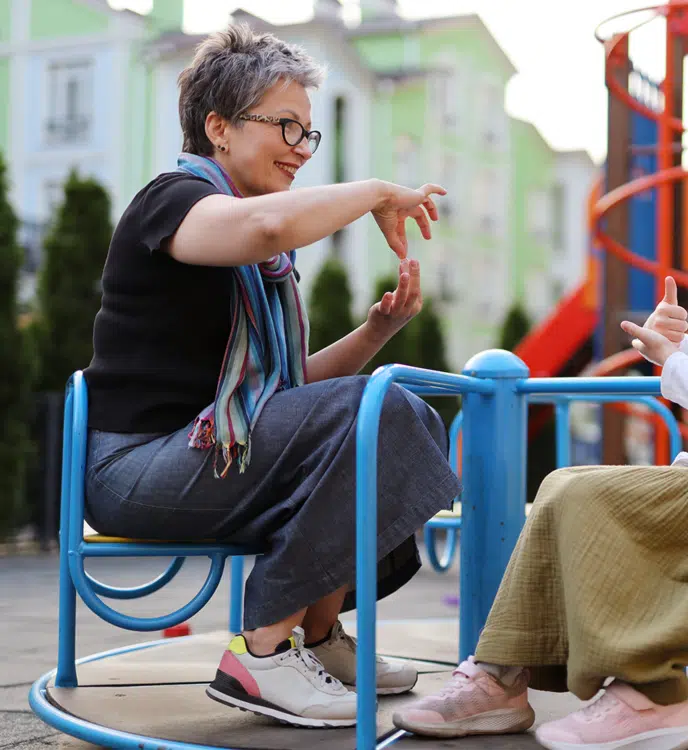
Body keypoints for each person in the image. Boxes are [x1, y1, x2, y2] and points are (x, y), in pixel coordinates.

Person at [392, 96, 688, 749]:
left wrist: (672, 361)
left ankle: (649, 695)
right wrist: (680, 343)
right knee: (564, 484)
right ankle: (504, 675)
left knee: (579, 492)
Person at [82, 24, 462, 729]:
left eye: (308, 132)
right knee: (380, 411)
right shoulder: (172, 202)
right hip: (136, 467)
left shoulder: (262, 260)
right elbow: (262, 229)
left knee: (395, 411)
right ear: (218, 127)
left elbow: (290, 397)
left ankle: (316, 639)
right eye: (285, 125)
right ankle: (262, 653)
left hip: (208, 454)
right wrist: (376, 190)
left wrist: (378, 332)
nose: (300, 147)